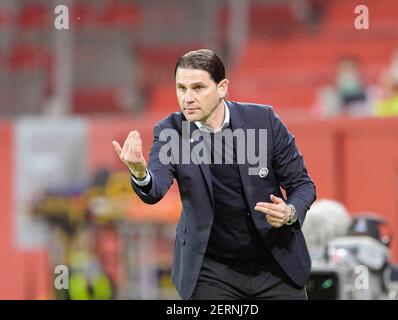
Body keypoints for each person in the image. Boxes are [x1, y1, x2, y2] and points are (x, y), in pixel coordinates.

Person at [112, 49, 316, 300]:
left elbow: (303, 185)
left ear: (222, 88)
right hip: (212, 271)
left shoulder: (264, 121)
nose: (187, 98)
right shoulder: (171, 132)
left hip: (274, 263)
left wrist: (290, 212)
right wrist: (139, 172)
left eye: (198, 87)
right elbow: (155, 188)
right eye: (181, 88)